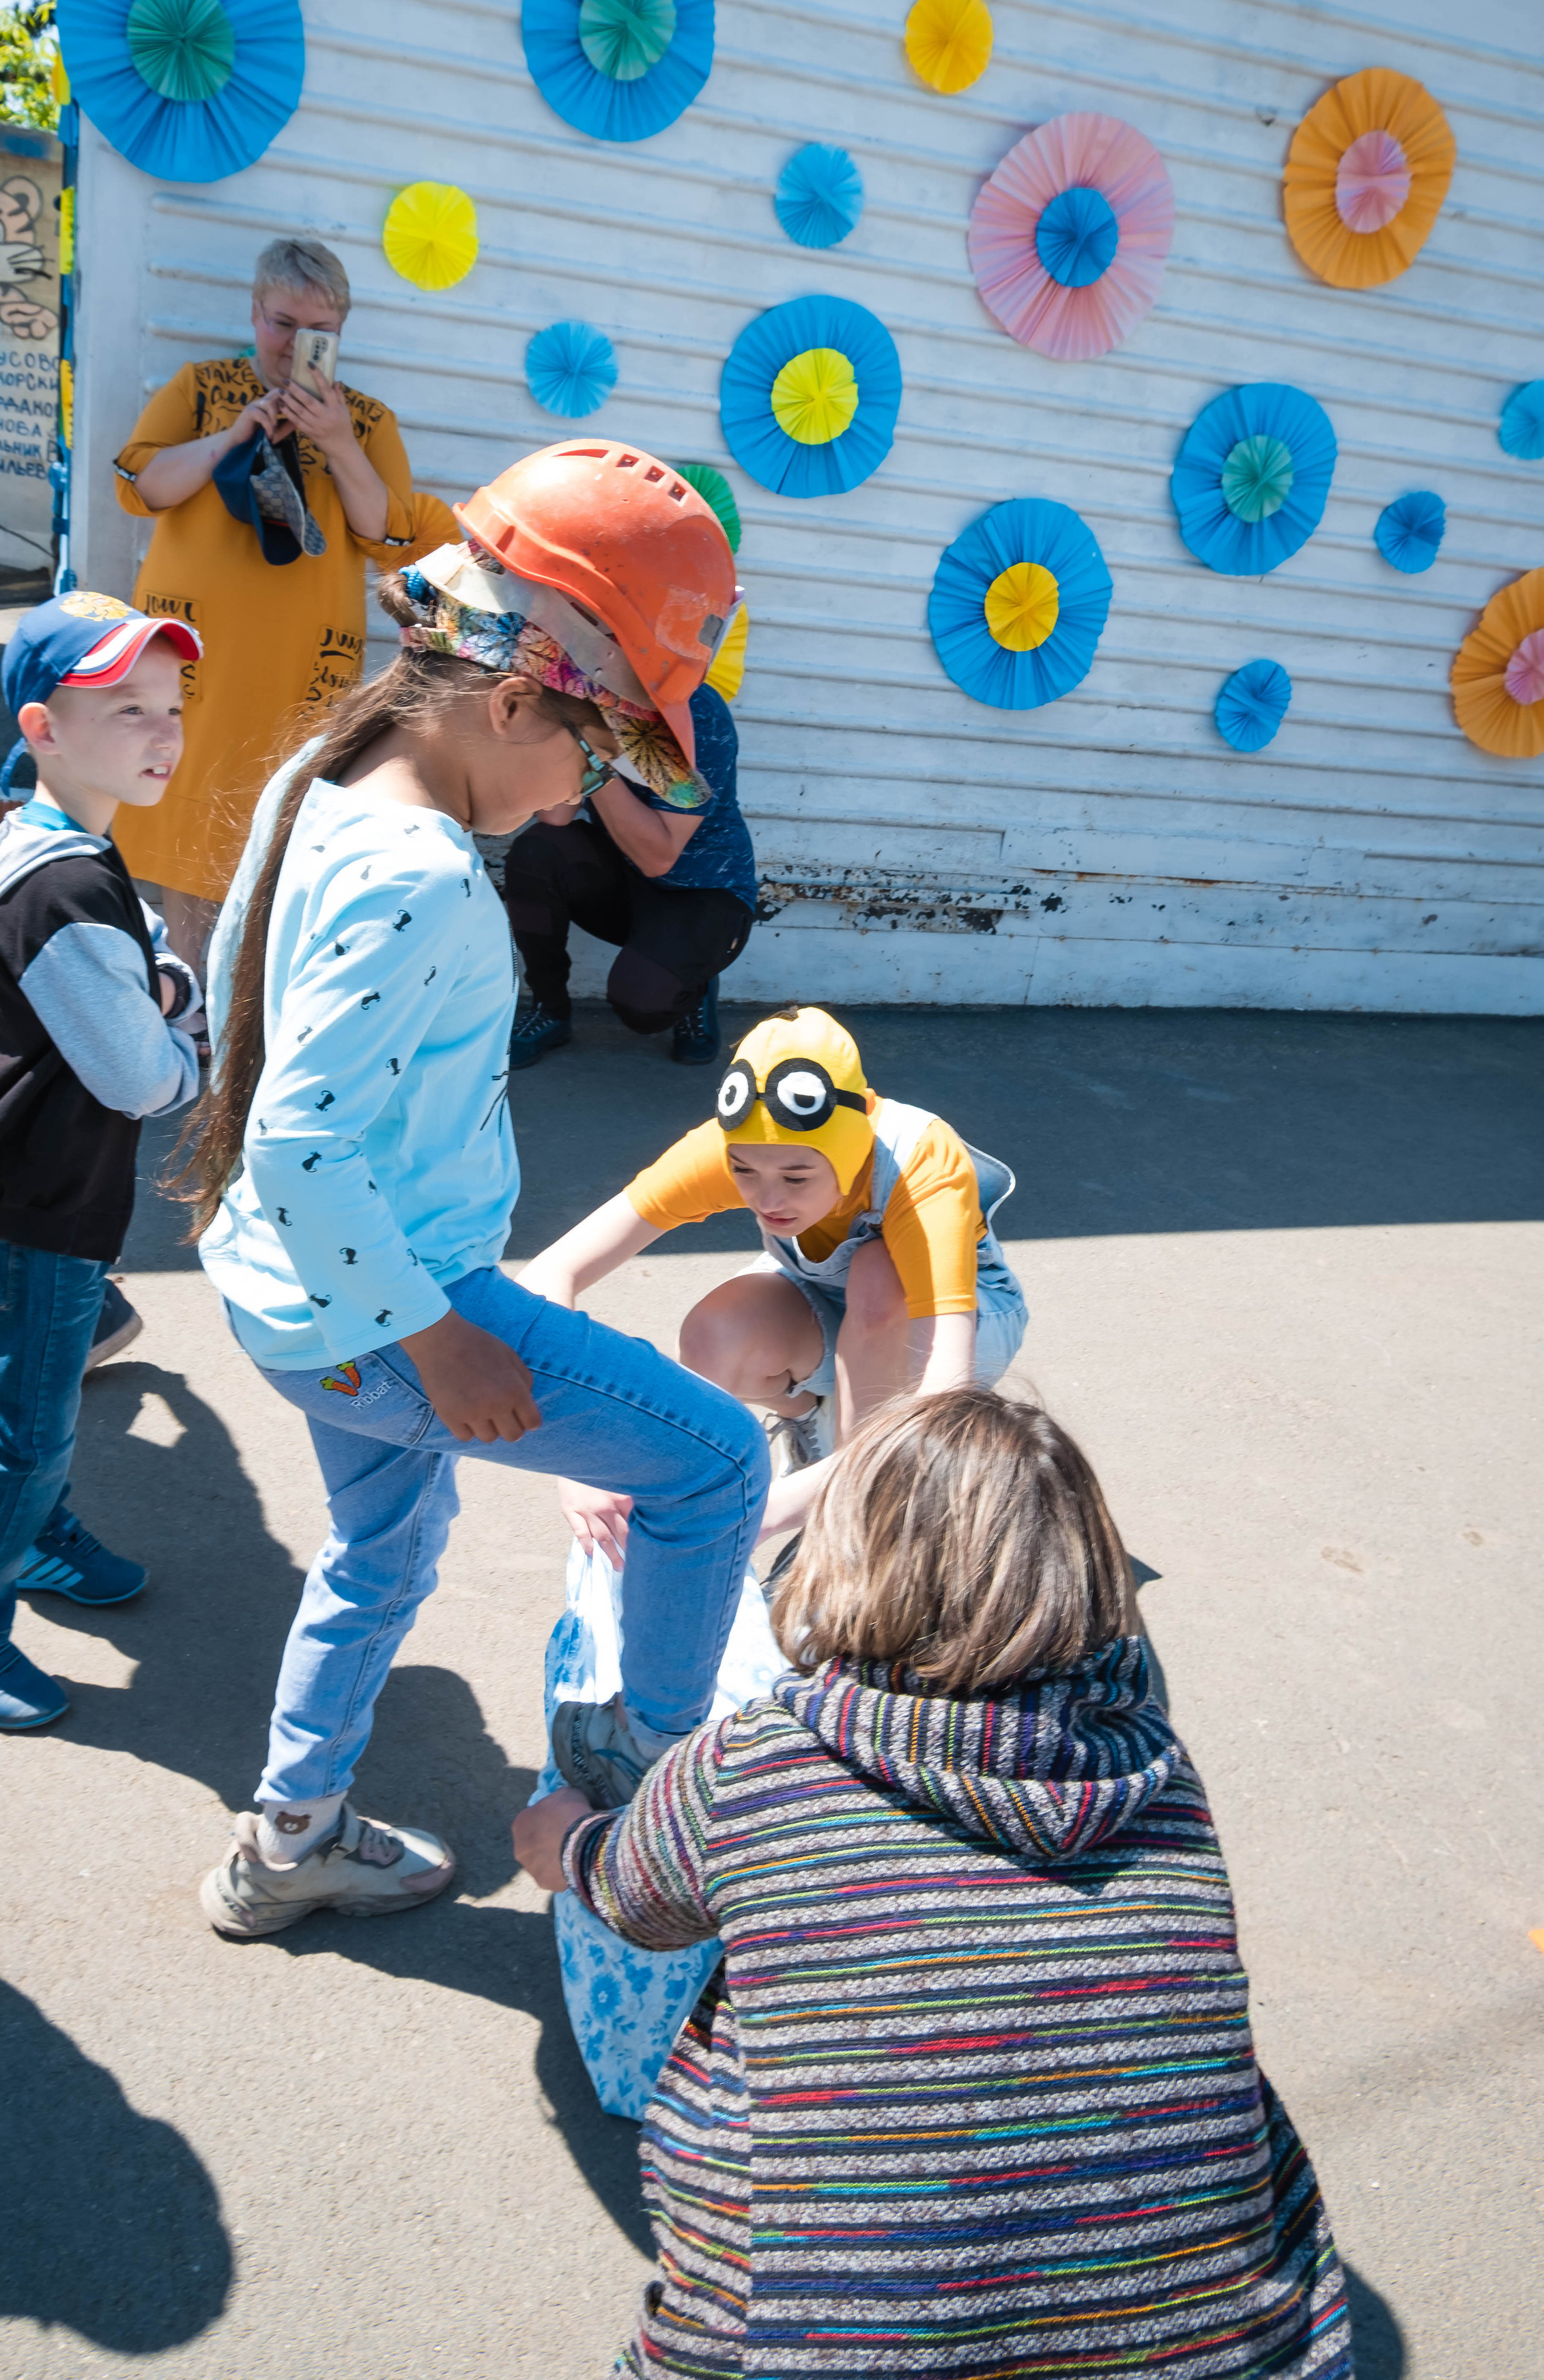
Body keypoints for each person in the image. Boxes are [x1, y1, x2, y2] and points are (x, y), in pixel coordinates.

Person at [175, 441, 768, 1939]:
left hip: (283, 1290)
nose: (580, 802)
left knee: (381, 1548)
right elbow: (301, 1142)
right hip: (391, 1307)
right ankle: (645, 1802)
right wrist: (441, 1342)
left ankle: (287, 1835)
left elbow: (247, 1038)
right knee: (710, 1465)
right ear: (511, 699)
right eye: (591, 757)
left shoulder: (322, 783)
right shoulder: (427, 876)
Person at [513, 1386, 1352, 2380]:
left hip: (841, 2345)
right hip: (1223, 2355)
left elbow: (632, 1901)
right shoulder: (1157, 1775)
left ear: (845, 1556)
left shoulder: (757, 1763)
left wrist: (563, 1838)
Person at [0, 592, 205, 1730]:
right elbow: (142, 1074)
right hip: (36, 1201)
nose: (161, 731)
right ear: (41, 728)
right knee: (23, 1431)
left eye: (170, 706)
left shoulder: (57, 846)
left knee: (36, 1397)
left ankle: (31, 1536)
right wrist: (191, 1039)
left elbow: (137, 966)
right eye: (124, 708)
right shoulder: (68, 887)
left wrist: (157, 987)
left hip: (37, 1184)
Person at [519, 1003, 1026, 1566]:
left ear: (851, 1153)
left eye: (797, 1177)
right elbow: (548, 1274)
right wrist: (585, 1452)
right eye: (745, 1174)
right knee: (717, 1333)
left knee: (877, 1273)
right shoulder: (737, 1146)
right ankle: (815, 1426)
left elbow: (945, 1397)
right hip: (830, 1300)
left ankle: (861, 1519)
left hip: (969, 1318)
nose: (769, 1200)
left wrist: (757, 1515)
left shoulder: (922, 1162)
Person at [109, 235, 459, 976]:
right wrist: (229, 437)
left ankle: (246, 1022)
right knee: (189, 824)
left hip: (301, 664)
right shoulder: (201, 385)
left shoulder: (365, 420)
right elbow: (143, 487)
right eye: (281, 323)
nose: (297, 344)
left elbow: (389, 538)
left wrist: (336, 442)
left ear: (341, 335)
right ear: (253, 312)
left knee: (283, 830)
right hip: (198, 663)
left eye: (319, 333)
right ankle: (197, 1021)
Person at [504, 665, 753, 1072]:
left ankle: (695, 982)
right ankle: (550, 1010)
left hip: (704, 891)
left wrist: (594, 759)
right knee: (537, 852)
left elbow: (660, 856)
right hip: (627, 877)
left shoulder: (692, 710)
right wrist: (564, 719)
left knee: (644, 1005)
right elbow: (556, 816)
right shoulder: (585, 695)